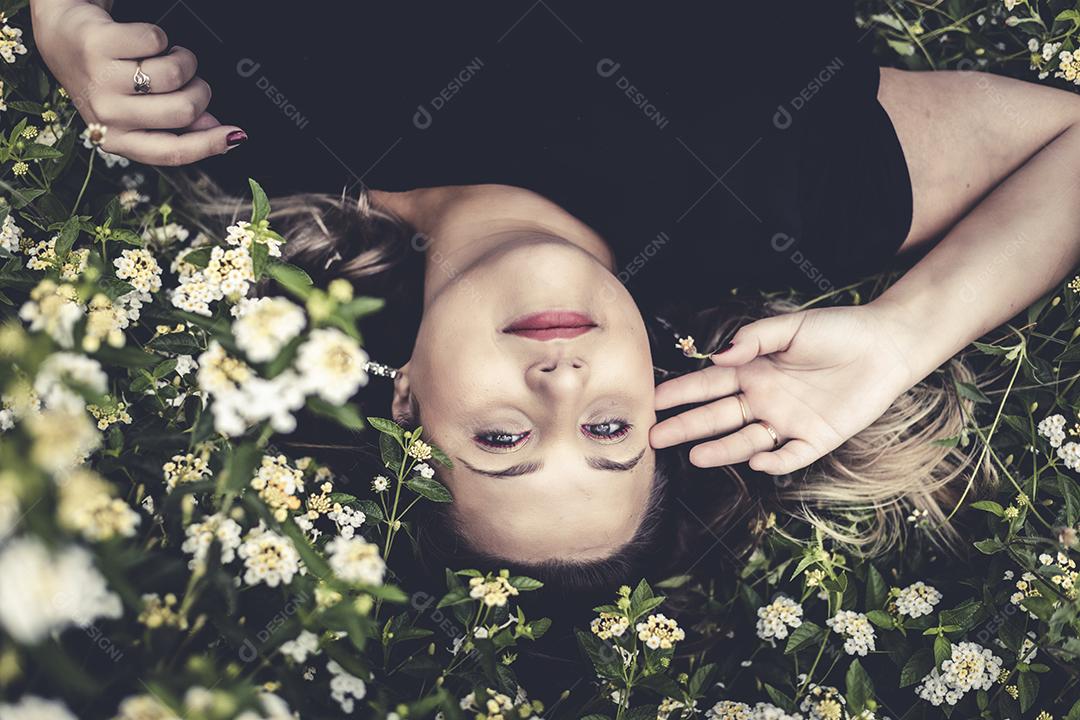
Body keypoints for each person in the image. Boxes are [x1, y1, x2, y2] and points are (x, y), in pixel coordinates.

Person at [29, 1, 1080, 579]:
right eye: (612, 426)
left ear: (403, 403)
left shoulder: (251, 144)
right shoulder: (782, 192)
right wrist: (902, 337)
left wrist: (63, 20)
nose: (560, 381)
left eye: (503, 441)